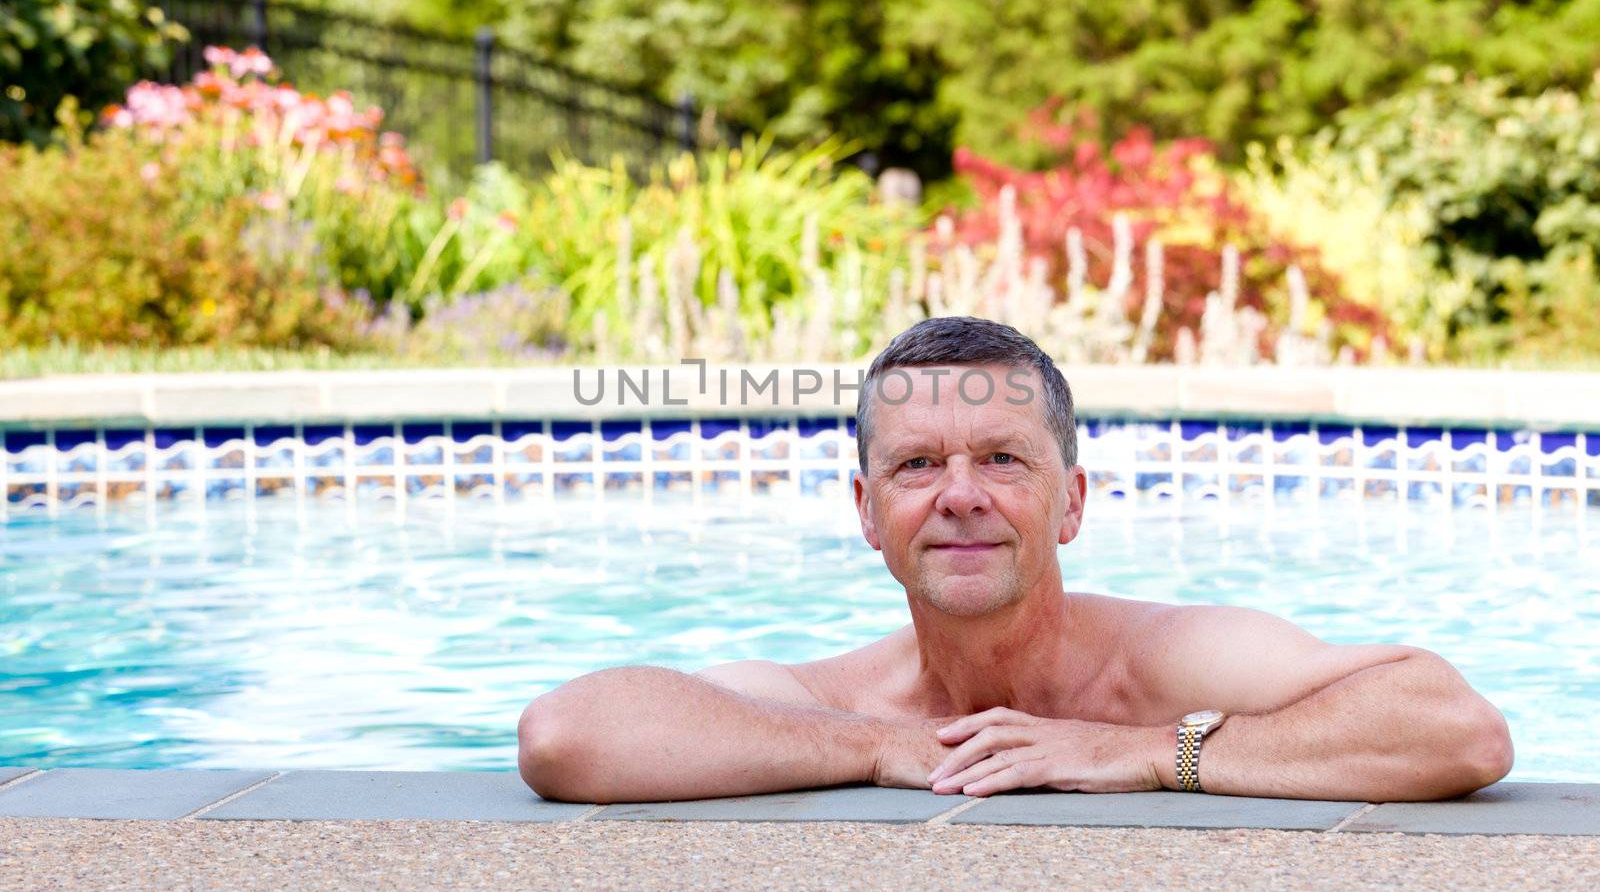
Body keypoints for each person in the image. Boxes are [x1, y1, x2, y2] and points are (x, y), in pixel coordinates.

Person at [517, 316, 1514, 804]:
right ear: (867, 512)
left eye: (1000, 457)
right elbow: (568, 735)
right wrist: (875, 750)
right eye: (917, 465)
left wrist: (1144, 752)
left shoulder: (1163, 663)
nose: (960, 494)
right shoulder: (841, 705)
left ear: (1070, 500)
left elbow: (1453, 728)